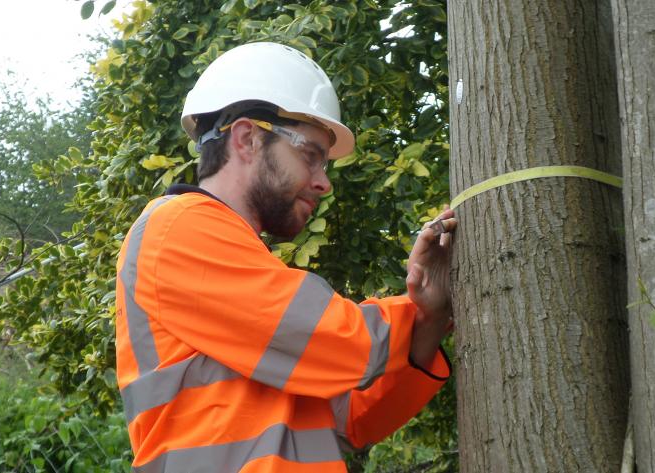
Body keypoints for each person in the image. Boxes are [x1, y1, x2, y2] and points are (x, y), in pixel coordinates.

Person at [115, 42, 457, 473]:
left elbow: (349, 419)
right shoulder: (176, 229)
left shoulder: (239, 274)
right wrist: (413, 311)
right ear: (247, 139)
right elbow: (341, 342)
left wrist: (426, 323)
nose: (323, 183)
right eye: (311, 156)